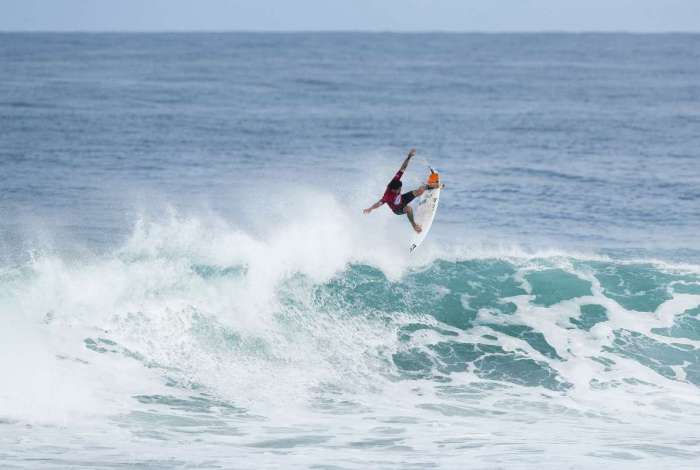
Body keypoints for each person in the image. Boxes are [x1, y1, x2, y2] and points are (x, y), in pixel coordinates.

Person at [363, 149, 438, 233]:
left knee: (420, 190)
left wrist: (409, 157)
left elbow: (402, 168)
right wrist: (370, 208)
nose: (400, 189)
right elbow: (379, 203)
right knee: (409, 209)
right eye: (399, 189)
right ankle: (414, 226)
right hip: (398, 209)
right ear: (394, 190)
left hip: (402, 199)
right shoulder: (387, 196)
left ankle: (431, 187)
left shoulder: (395, 180)